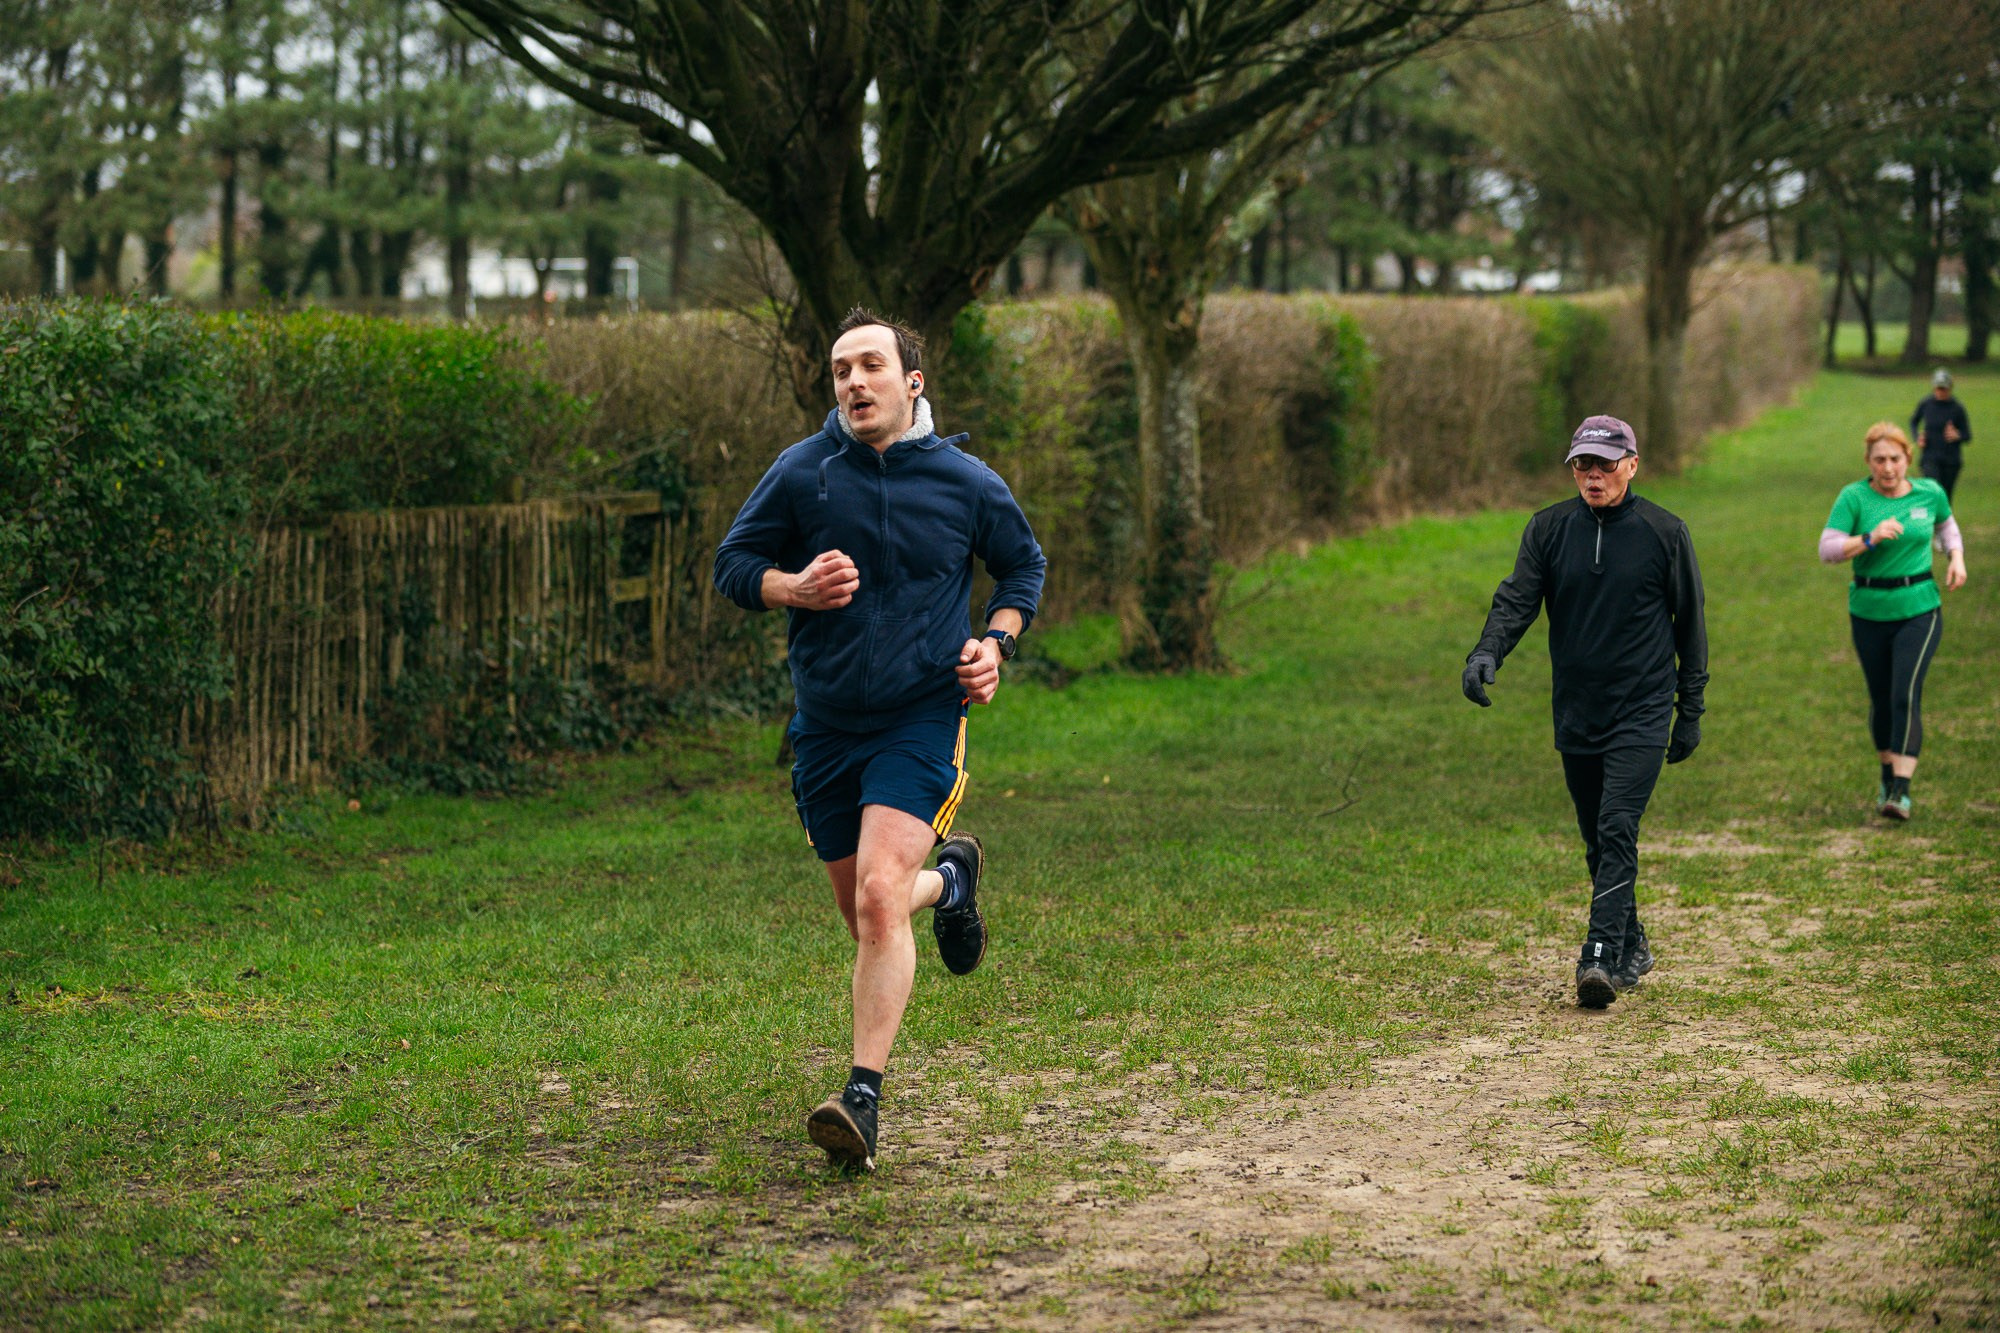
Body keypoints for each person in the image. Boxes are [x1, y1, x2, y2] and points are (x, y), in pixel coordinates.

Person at [713, 307, 1046, 1172]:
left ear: (911, 382)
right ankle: (955, 879)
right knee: (869, 913)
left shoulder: (967, 481)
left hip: (921, 713)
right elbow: (733, 565)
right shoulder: (802, 473)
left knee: (874, 899)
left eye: (869, 366)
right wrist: (794, 585)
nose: (853, 382)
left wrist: (995, 644)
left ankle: (861, 1096)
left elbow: (1023, 566)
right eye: (839, 371)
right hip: (824, 727)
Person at [1461, 415, 1707, 1010]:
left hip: (1644, 708)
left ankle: (1597, 956)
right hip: (1577, 710)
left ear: (1631, 464)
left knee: (1617, 827)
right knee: (1596, 838)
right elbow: (1517, 599)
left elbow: (1691, 625)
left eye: (1603, 464)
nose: (1592, 476)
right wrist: (1486, 652)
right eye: (1582, 466)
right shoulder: (1548, 530)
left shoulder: (1664, 533)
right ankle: (1632, 942)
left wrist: (1689, 707)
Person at [1818, 422, 1967, 821]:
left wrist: (1956, 557)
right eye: (1880, 460)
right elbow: (1827, 549)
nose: (1888, 467)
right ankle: (1887, 773)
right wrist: (1869, 538)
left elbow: (1947, 527)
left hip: (1920, 607)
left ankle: (1901, 790)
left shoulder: (1929, 492)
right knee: (1881, 698)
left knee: (1905, 692)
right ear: (1868, 462)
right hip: (1868, 610)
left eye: (1895, 459)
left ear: (1908, 460)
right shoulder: (1854, 497)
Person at [1910, 369, 1971, 502]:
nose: (1941, 392)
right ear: (1933, 388)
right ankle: (1931, 522)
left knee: (1945, 496)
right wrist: (1917, 437)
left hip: (1951, 460)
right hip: (1930, 457)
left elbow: (1967, 435)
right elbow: (1913, 422)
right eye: (1938, 388)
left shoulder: (1957, 408)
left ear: (1950, 388)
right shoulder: (1926, 404)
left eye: (1944, 388)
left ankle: (1944, 522)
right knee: (1934, 490)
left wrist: (1957, 435)